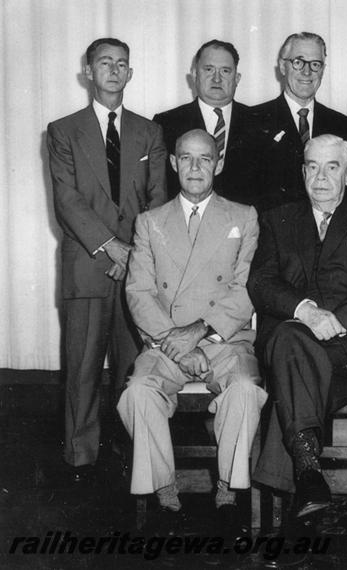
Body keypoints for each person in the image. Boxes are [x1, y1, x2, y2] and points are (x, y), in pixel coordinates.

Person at [117, 129, 266, 534]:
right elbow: (139, 293)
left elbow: (246, 289)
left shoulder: (243, 216)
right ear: (173, 163)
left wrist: (200, 335)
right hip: (165, 343)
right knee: (137, 393)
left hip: (224, 339)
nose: (195, 167)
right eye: (186, 158)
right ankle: (164, 488)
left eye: (205, 159)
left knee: (245, 390)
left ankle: (227, 487)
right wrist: (177, 344)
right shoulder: (149, 222)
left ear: (219, 163)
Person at [248, 135, 347, 521]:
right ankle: (310, 478)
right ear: (302, 172)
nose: (320, 176)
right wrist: (305, 310)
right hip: (297, 340)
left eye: (331, 167)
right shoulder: (278, 218)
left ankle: (305, 482)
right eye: (312, 166)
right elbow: (262, 282)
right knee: (288, 338)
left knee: (290, 367)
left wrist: (338, 322)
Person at [47, 37, 166, 485]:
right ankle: (80, 461)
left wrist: (132, 252)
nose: (114, 70)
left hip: (137, 266)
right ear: (88, 72)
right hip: (89, 266)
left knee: (133, 366)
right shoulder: (63, 130)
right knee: (81, 368)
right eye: (104, 63)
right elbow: (68, 200)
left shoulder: (149, 132)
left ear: (130, 74)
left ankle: (132, 455)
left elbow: (157, 199)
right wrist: (111, 247)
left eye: (121, 64)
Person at [153, 39, 264, 206]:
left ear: (237, 78)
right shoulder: (166, 123)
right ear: (195, 75)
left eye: (225, 71)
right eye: (209, 69)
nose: (217, 79)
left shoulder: (260, 122)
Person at [251, 32, 347, 213]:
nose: (307, 71)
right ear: (282, 66)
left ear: (323, 70)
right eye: (298, 62)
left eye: (315, 64)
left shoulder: (342, 125)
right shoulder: (253, 120)